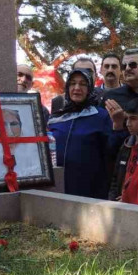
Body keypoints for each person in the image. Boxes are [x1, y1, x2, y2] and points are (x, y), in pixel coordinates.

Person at [46, 68, 113, 199]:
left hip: (89, 188)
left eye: (83, 84)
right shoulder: (56, 118)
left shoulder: (101, 116)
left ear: (90, 88)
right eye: (72, 83)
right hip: (57, 186)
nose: (77, 88)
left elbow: (111, 150)